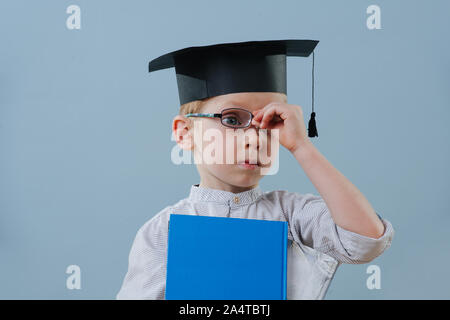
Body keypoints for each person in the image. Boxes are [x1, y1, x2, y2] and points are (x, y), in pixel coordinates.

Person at [116, 39, 394, 299]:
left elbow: (366, 240)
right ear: (185, 132)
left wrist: (301, 147)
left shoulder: (292, 215)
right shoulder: (162, 232)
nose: (255, 137)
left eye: (271, 121)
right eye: (232, 120)